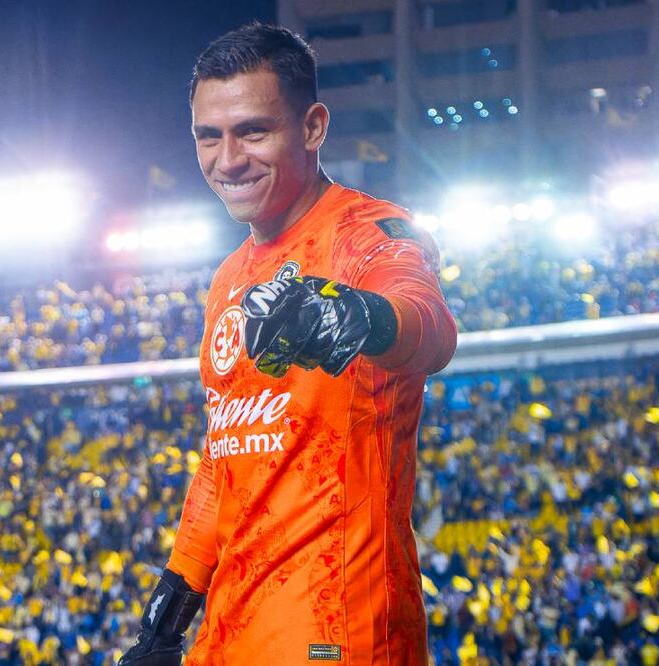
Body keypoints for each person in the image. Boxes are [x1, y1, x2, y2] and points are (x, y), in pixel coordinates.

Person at [119, 22, 457, 665]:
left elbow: (429, 326)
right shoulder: (230, 277)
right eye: (207, 137)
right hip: (230, 634)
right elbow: (226, 461)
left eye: (252, 131)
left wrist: (354, 318)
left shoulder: (368, 235)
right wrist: (168, 614)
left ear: (312, 127)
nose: (228, 159)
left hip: (340, 632)